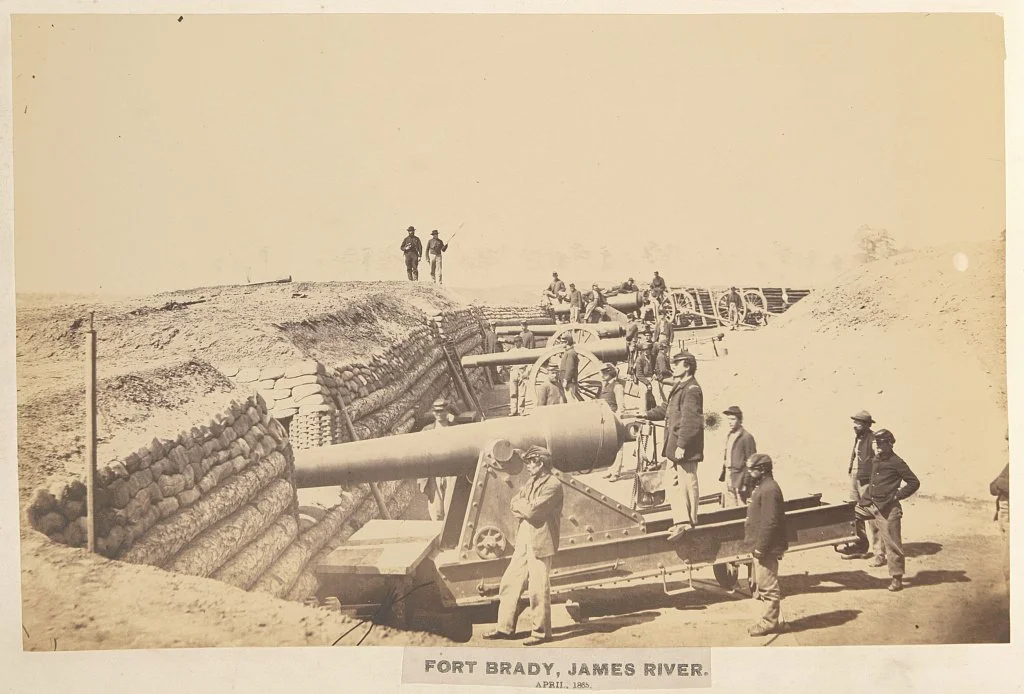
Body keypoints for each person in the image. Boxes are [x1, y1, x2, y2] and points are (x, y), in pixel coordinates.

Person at [483, 446, 564, 646]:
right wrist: (522, 506)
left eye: (531, 462)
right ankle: (504, 627)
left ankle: (541, 633)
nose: (528, 466)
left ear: (542, 463)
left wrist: (523, 506)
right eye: (527, 462)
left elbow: (533, 512)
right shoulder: (532, 481)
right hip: (525, 536)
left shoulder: (553, 485)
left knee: (538, 588)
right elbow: (515, 502)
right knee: (510, 581)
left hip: (541, 540)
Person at [639, 351, 704, 537]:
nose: (673, 366)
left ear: (688, 366)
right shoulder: (680, 386)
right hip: (674, 447)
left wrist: (682, 445)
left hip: (684, 448)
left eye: (677, 364)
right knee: (673, 484)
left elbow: (691, 420)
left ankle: (690, 522)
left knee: (687, 483)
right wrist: (646, 414)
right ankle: (680, 521)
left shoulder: (692, 389)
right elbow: (667, 409)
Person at [855, 428, 920, 591]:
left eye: (883, 444)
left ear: (890, 444)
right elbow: (873, 481)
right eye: (877, 443)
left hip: (889, 510)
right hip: (871, 505)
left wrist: (897, 496)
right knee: (849, 517)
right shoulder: (876, 459)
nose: (879, 447)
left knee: (892, 545)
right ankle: (860, 547)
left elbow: (914, 482)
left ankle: (896, 578)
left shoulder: (897, 462)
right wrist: (864, 501)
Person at [743, 453, 788, 636]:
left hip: (766, 548)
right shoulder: (763, 487)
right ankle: (771, 619)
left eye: (752, 470)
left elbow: (770, 523)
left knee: (767, 586)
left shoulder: (769, 489)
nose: (750, 472)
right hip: (762, 546)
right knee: (764, 584)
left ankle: (769, 622)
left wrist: (760, 548)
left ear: (762, 470)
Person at [838, 410, 879, 560]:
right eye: (854, 422)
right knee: (854, 512)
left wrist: (875, 480)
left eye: (858, 423)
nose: (855, 425)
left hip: (867, 480)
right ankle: (860, 546)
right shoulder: (858, 437)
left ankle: (878, 551)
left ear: (867, 425)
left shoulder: (873, 439)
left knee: (871, 513)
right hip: (855, 478)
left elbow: (879, 460)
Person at [418, 398, 453, 520]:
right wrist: (421, 477)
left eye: (442, 411)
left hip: (451, 473)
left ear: (447, 411)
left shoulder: (455, 428)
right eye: (436, 411)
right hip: (434, 474)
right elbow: (420, 453)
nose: (439, 414)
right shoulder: (427, 430)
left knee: (452, 508)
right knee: (436, 510)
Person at [721, 406, 757, 507]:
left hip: (740, 479)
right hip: (729, 477)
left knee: (742, 508)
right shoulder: (729, 436)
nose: (730, 422)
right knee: (729, 509)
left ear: (740, 420)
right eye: (728, 419)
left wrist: (745, 482)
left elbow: (751, 462)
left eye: (733, 419)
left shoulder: (746, 437)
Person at [507, 337, 526, 416]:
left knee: (522, 393)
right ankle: (513, 410)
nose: (516, 343)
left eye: (518, 341)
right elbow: (506, 362)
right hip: (513, 371)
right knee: (513, 393)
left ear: (521, 342)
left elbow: (530, 363)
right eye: (515, 342)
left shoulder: (525, 351)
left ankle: (521, 410)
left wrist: (526, 372)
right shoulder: (511, 351)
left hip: (522, 371)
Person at [651, 337, 672, 406]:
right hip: (663, 378)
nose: (668, 349)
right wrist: (671, 373)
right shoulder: (661, 356)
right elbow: (663, 370)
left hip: (663, 377)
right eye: (668, 347)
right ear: (665, 347)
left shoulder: (663, 355)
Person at [559, 334, 579, 400]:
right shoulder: (568, 352)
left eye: (562, 342)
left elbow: (570, 368)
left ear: (567, 342)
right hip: (568, 380)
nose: (561, 344)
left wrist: (566, 380)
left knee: (570, 399)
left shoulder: (570, 353)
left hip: (569, 382)